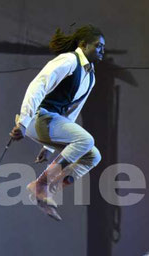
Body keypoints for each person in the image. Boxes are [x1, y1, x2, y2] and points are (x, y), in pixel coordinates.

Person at [10, 25, 106, 221]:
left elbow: (71, 113)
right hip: (39, 117)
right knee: (86, 140)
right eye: (98, 46)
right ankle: (41, 185)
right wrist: (23, 121)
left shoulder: (91, 76)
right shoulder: (69, 60)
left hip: (53, 122)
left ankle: (47, 191)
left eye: (103, 47)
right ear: (84, 44)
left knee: (93, 156)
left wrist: (49, 146)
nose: (102, 50)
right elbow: (38, 85)